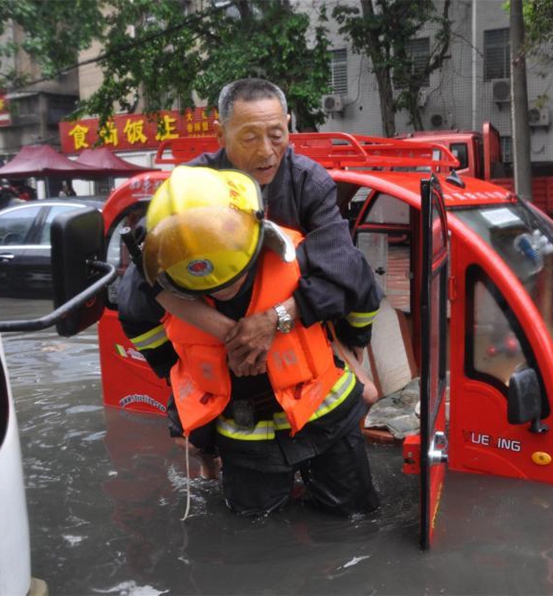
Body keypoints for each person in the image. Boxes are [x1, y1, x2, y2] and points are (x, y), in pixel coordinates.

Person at [116, 78, 380, 477]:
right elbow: (142, 285)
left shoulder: (309, 182)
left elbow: (344, 271)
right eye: (250, 137)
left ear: (289, 126)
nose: (266, 151)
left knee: (366, 396)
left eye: (277, 135)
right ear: (220, 134)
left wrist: (273, 321)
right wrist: (219, 343)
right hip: (218, 356)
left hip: (300, 334)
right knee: (199, 448)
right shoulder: (188, 191)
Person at [142, 165, 380, 517]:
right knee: (252, 528)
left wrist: (351, 342)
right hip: (245, 435)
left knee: (354, 515)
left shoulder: (301, 255)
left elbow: (360, 288)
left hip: (325, 412)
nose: (223, 290)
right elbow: (159, 347)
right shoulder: (154, 274)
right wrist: (185, 407)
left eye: (233, 278)